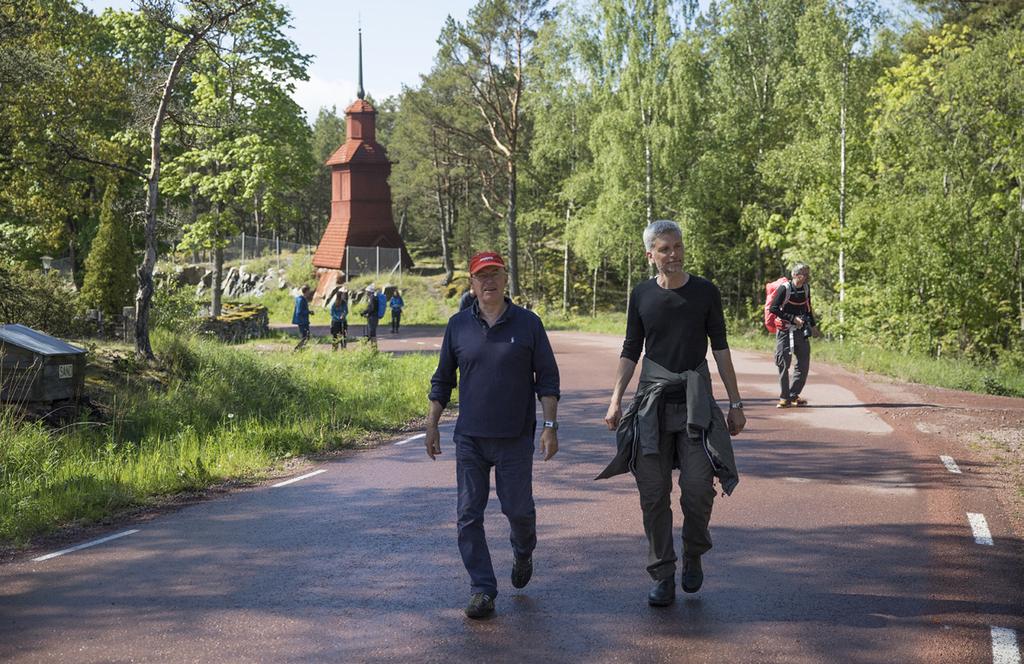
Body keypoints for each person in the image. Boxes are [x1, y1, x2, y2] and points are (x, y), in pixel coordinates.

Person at [599, 220, 744, 608]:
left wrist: (735, 403)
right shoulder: (642, 294)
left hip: (696, 405)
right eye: (664, 249)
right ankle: (662, 574)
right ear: (650, 255)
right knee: (653, 494)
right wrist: (616, 400)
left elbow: (722, 349)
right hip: (652, 406)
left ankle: (693, 552)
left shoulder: (705, 292)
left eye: (678, 246)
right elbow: (631, 348)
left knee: (698, 489)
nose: (674, 254)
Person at [426, 251, 561, 620]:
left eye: (495, 274)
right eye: (481, 276)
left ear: (505, 279)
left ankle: (522, 549)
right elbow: (442, 380)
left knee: (517, 510)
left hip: (515, 436)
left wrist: (549, 426)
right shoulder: (457, 326)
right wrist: (432, 422)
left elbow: (547, 379)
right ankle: (482, 589)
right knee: (468, 514)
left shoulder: (529, 324)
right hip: (470, 437)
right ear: (472, 283)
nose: (488, 281)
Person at [769, 263, 819, 408]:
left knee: (803, 363)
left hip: (800, 330)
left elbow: (808, 308)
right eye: (804, 274)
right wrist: (792, 318)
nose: (807, 277)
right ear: (796, 275)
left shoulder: (806, 288)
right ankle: (784, 398)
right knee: (784, 363)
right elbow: (773, 308)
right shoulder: (784, 289)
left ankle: (793, 394)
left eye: (807, 273)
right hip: (785, 331)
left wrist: (813, 326)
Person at [292, 285, 313, 351]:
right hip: (302, 321)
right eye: (309, 291)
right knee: (305, 337)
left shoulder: (303, 299)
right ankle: (297, 349)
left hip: (304, 321)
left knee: (306, 336)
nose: (310, 292)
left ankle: (301, 349)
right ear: (306, 291)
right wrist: (308, 312)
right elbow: (299, 311)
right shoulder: (301, 300)